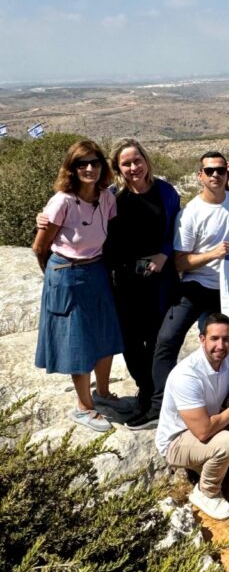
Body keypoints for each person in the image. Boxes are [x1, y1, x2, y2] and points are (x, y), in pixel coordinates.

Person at [127, 151, 229, 430]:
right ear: (200, 176)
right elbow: (181, 262)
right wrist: (212, 254)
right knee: (166, 341)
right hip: (196, 286)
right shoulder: (190, 214)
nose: (216, 175)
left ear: (227, 173)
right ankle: (159, 405)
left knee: (225, 346)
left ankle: (226, 403)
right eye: (209, 171)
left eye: (220, 170)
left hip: (228, 288)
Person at [32, 139, 124, 433]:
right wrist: (54, 276)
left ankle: (103, 392)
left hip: (96, 270)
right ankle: (84, 406)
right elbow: (40, 247)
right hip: (67, 272)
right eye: (81, 163)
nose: (89, 168)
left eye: (94, 162)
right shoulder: (62, 201)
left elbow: (109, 235)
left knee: (106, 332)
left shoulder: (107, 198)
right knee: (79, 340)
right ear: (71, 168)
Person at [155, 313, 229, 520]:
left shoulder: (228, 362)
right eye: (214, 338)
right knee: (226, 442)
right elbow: (203, 432)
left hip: (210, 424)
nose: (220, 345)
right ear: (202, 339)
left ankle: (209, 465)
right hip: (178, 441)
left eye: (226, 339)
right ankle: (206, 492)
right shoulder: (187, 375)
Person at [103, 139, 181, 413]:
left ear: (146, 161)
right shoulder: (112, 196)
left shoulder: (166, 192)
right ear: (117, 167)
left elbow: (177, 231)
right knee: (131, 340)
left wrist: (164, 255)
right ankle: (145, 390)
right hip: (125, 280)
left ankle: (160, 395)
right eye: (126, 163)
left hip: (160, 278)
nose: (134, 167)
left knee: (159, 339)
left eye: (137, 160)